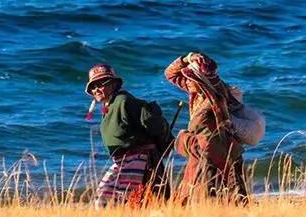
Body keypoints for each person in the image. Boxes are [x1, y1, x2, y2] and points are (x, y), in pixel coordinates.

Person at [84, 62, 173, 207]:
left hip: (138, 159)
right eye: (93, 86)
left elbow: (150, 120)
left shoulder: (123, 101)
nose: (96, 89)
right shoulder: (109, 106)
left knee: (123, 200)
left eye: (101, 84)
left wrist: (156, 149)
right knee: (104, 199)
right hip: (121, 162)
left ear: (113, 84)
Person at [163, 52, 248, 203]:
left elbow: (207, 136)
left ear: (200, 80)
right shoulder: (201, 91)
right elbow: (170, 74)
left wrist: (184, 139)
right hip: (211, 151)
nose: (187, 81)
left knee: (209, 193)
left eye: (191, 78)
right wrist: (188, 58)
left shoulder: (213, 102)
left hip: (212, 153)